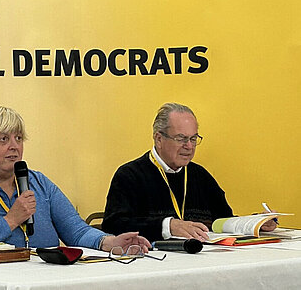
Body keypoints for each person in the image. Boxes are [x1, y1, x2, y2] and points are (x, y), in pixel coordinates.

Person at [0, 105, 150, 253]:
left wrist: (109, 242)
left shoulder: (38, 182)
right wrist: (10, 220)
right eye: (3, 139)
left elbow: (77, 231)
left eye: (18, 138)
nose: (14, 146)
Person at [102, 102, 277, 242]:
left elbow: (222, 220)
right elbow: (113, 225)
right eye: (181, 138)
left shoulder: (200, 175)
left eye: (193, 139)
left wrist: (253, 224)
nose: (189, 146)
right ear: (159, 138)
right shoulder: (129, 175)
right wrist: (167, 226)